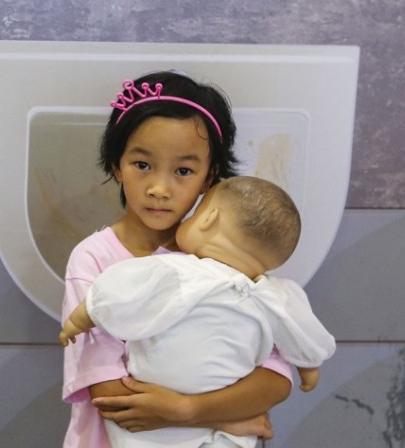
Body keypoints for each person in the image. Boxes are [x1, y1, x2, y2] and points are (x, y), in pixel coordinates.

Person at [61, 72, 294, 448]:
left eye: (183, 171)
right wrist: (227, 415)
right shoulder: (95, 259)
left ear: (209, 177)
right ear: (117, 165)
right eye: (142, 165)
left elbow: (274, 377)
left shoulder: (232, 258)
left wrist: (185, 410)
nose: (159, 188)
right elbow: (108, 394)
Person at [61, 175, 336, 447]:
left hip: (145, 427)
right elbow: (306, 335)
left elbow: (117, 294)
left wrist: (81, 318)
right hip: (225, 421)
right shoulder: (275, 296)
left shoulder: (178, 269)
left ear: (207, 219)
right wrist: (309, 366)